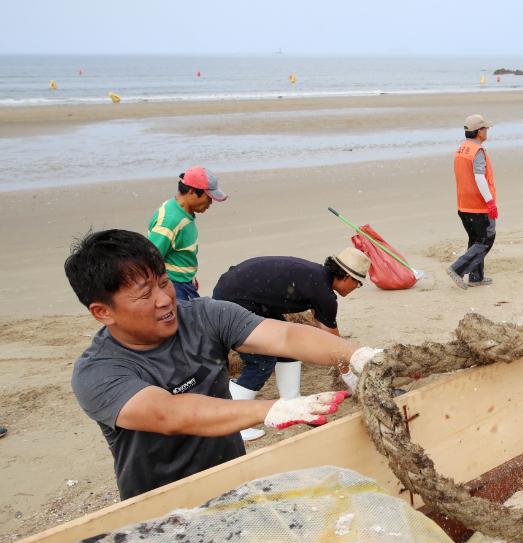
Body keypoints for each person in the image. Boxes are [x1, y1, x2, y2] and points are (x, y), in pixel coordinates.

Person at [64, 229, 379, 499]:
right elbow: (169, 414)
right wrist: (271, 409)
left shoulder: (205, 316)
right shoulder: (98, 371)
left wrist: (356, 354)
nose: (163, 300)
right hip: (159, 503)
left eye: (163, 283)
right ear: (103, 312)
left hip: (232, 480)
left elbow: (285, 337)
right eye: (144, 294)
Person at [212, 248, 371, 441]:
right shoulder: (324, 294)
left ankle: (292, 400)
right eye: (358, 283)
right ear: (347, 277)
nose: (356, 288)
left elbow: (324, 339)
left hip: (241, 290)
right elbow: (334, 345)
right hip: (234, 299)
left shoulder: (316, 276)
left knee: (288, 346)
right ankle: (233, 424)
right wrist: (349, 375)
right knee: (261, 361)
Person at [147, 166, 228, 302]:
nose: (210, 202)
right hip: (174, 286)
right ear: (191, 192)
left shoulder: (183, 212)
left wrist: (189, 276)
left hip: (184, 282)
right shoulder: (170, 221)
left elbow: (180, 252)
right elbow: (149, 259)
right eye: (208, 197)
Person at [446, 114, 498, 289]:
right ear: (478, 131)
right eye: (485, 128)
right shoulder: (477, 151)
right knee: (486, 238)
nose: (487, 131)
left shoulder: (462, 149)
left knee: (475, 240)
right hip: (478, 205)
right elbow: (479, 178)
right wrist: (490, 202)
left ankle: (476, 277)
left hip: (463, 204)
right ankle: (457, 268)